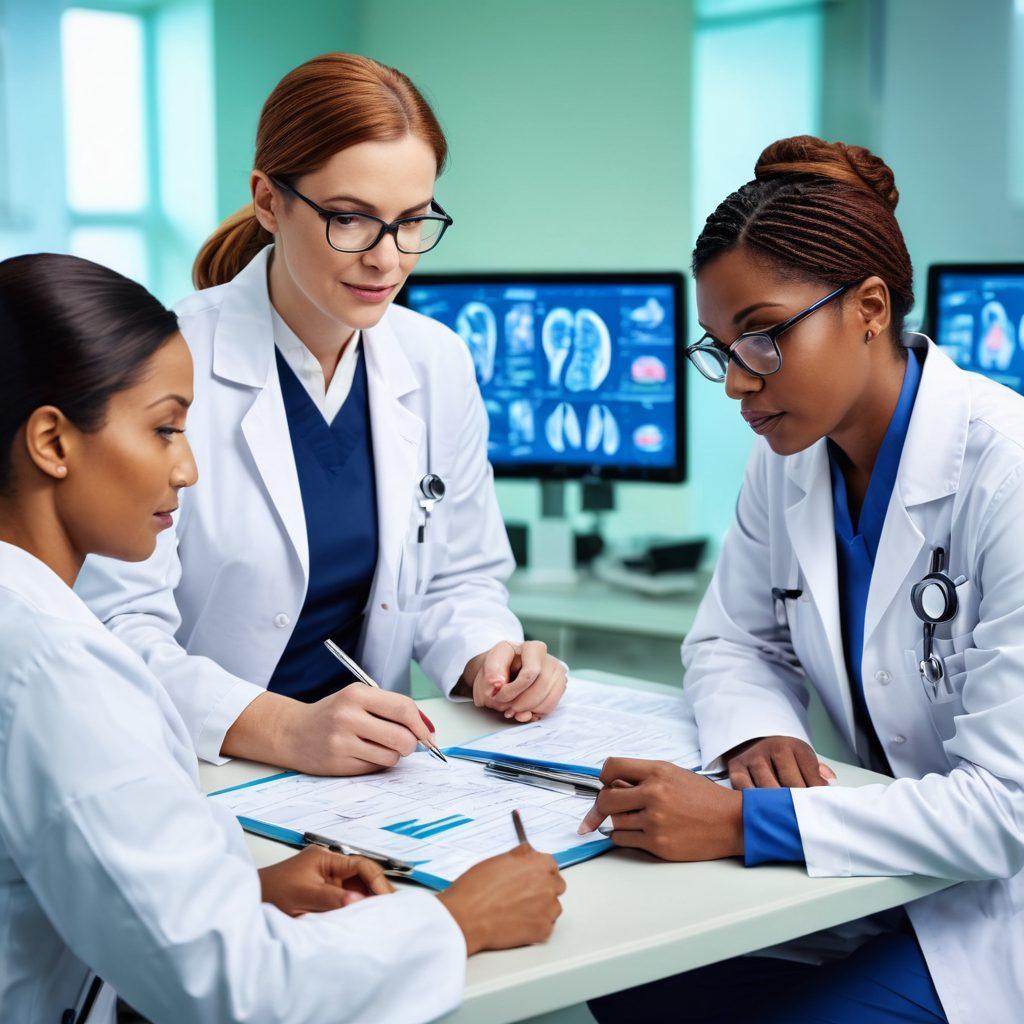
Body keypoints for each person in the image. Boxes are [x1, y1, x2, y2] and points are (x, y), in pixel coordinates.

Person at [0, 253, 565, 1024]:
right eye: (166, 429)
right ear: (53, 443)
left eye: (412, 223)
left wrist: (243, 890)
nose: (190, 468)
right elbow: (236, 990)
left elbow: (66, 879)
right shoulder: (61, 671)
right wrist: (461, 920)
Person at [581, 136, 1024, 1023]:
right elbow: (728, 639)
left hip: (996, 906)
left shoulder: (1004, 469)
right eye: (721, 349)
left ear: (867, 308)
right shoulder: (789, 455)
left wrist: (744, 823)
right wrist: (751, 736)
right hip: (878, 877)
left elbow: (1007, 811)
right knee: (628, 991)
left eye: (763, 338)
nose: (738, 382)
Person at [76, 53, 567, 775]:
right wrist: (281, 729)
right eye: (350, 220)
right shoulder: (158, 364)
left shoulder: (435, 361)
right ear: (269, 201)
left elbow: (460, 578)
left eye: (412, 222)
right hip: (196, 767)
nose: (387, 259)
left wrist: (488, 655)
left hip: (370, 776)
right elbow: (116, 627)